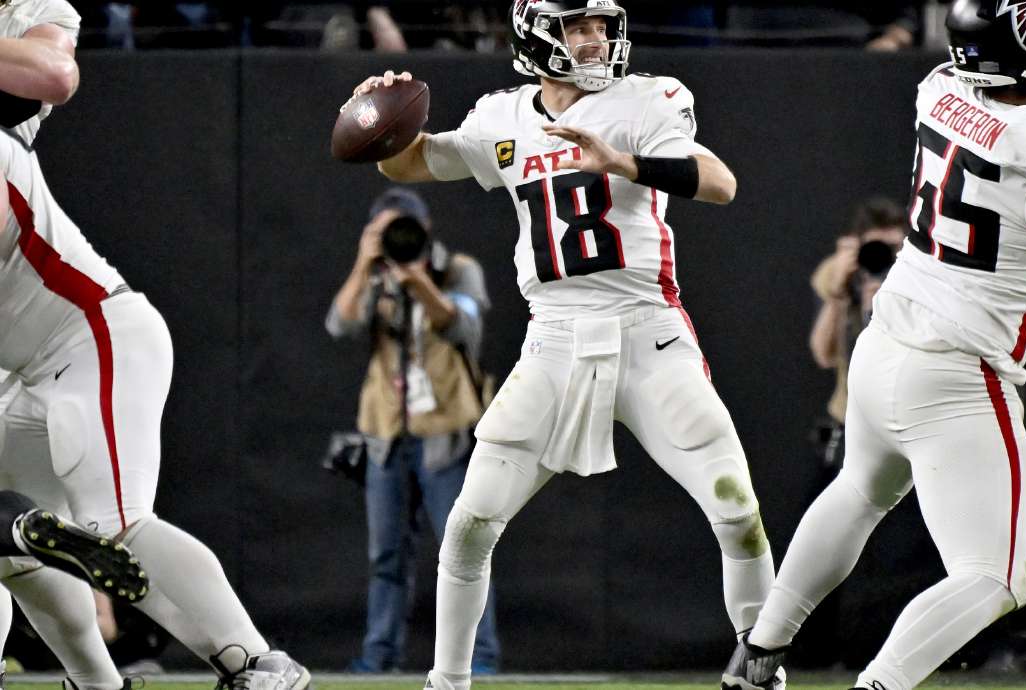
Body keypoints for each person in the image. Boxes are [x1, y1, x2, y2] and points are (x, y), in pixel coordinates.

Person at [720, 0, 1026, 688]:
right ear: (1023, 51)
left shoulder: (942, 92)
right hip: (958, 372)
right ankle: (880, 684)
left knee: (859, 489)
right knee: (997, 576)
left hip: (886, 343)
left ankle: (758, 653)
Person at [351, 2, 778, 688]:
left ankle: (761, 675)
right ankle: (448, 681)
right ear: (537, 34)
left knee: (736, 508)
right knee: (469, 525)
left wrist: (625, 163)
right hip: (551, 337)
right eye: (579, 26)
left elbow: (722, 185)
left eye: (603, 26)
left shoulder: (648, 99)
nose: (597, 39)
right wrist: (377, 117)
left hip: (648, 330)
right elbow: (411, 165)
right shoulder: (503, 118)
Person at [0, 2, 309, 689]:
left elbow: (52, 73)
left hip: (92, 337)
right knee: (6, 541)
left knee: (116, 522)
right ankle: (96, 681)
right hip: (27, 371)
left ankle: (258, 664)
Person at [326, 187, 500, 674]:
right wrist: (365, 264)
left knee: (465, 550)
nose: (397, 240)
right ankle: (378, 660)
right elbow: (339, 325)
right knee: (386, 557)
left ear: (426, 229)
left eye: (405, 229)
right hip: (386, 435)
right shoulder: (374, 277)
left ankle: (478, 661)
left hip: (446, 433)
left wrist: (417, 279)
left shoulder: (455, 269)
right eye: (385, 232)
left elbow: (462, 328)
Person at [808, 198, 907, 471]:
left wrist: (884, 310)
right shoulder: (838, 274)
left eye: (894, 248)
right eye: (876, 247)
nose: (884, 256)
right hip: (852, 418)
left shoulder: (913, 278)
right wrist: (838, 295)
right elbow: (823, 354)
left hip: (903, 419)